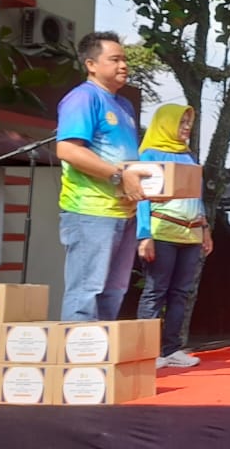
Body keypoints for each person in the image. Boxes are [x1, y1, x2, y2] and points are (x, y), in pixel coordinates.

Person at [55, 31, 145, 322]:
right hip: (90, 210)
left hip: (124, 211)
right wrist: (119, 176)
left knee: (114, 291)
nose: (124, 65)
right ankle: (77, 351)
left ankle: (101, 349)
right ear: (91, 65)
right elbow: (68, 150)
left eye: (124, 59)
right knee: (86, 292)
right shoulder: (83, 98)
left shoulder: (124, 105)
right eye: (115, 59)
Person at [135, 104, 211, 369]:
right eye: (181, 122)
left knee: (180, 293)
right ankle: (147, 351)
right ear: (165, 124)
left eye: (189, 122)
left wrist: (205, 228)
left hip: (190, 233)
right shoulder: (148, 155)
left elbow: (197, 196)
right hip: (162, 232)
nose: (186, 128)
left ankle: (172, 349)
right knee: (155, 291)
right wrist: (144, 235)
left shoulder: (189, 156)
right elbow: (141, 199)